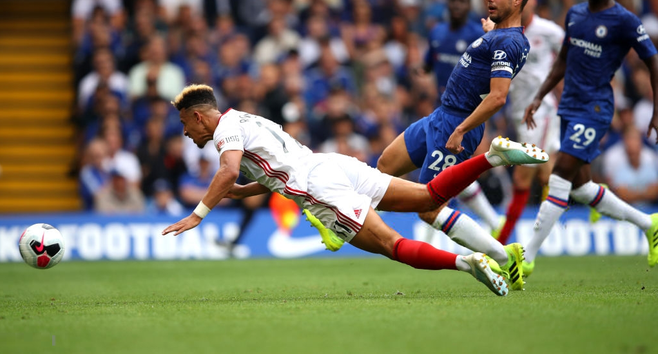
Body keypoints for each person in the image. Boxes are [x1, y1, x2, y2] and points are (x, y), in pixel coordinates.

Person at [161, 84, 549, 296]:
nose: (185, 132)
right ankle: (494, 158)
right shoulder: (244, 119)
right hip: (332, 165)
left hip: (320, 188)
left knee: (394, 246)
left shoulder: (223, 134)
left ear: (198, 116)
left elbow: (227, 170)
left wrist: (198, 214)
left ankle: (468, 263)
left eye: (184, 123)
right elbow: (269, 173)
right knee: (429, 197)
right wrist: (240, 193)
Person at [377, 0, 531, 288]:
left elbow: (499, 96)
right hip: (440, 115)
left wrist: (461, 129)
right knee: (385, 165)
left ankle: (504, 257)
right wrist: (491, 30)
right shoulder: (499, 35)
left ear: (518, 0)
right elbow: (495, 47)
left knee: (429, 208)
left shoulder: (510, 42)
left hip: (455, 123)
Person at [521, 0, 658, 276]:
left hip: (595, 109)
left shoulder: (624, 20)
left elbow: (653, 60)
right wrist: (539, 95)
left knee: (559, 174)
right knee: (581, 188)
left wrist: (656, 109)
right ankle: (648, 223)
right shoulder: (575, 14)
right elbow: (563, 60)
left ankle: (525, 256)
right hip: (568, 106)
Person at [420, 0, 503, 234]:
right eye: (453, 1)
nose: (457, 5)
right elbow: (428, 64)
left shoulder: (478, 34)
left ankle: (426, 241)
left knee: (439, 176)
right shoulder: (437, 32)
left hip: (467, 113)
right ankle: (494, 222)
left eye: (462, 1)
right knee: (451, 172)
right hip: (442, 109)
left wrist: (484, 119)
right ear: (447, 4)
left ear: (469, 6)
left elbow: (496, 77)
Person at [495, 0, 564, 244]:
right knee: (549, 177)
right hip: (518, 112)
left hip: (541, 111)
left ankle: (500, 239)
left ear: (533, 3)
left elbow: (569, 58)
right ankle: (593, 193)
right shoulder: (505, 31)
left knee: (523, 177)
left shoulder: (549, 32)